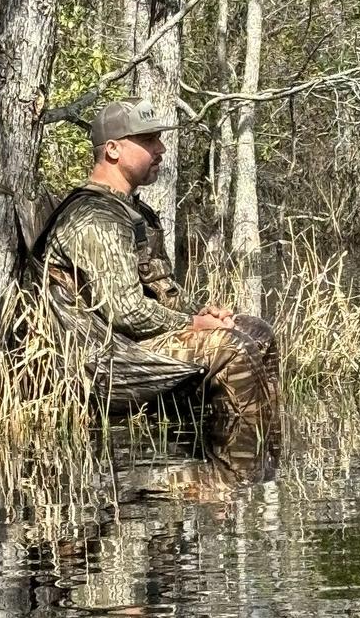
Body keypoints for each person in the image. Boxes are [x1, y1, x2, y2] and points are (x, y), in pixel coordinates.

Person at [38, 98, 278, 424]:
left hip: (139, 342)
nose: (161, 148)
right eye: (149, 140)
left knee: (256, 331)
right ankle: (248, 454)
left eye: (159, 139)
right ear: (112, 150)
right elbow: (126, 313)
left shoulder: (132, 211)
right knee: (233, 347)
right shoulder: (96, 216)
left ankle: (246, 439)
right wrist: (193, 325)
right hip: (111, 356)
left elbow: (161, 291)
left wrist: (200, 313)